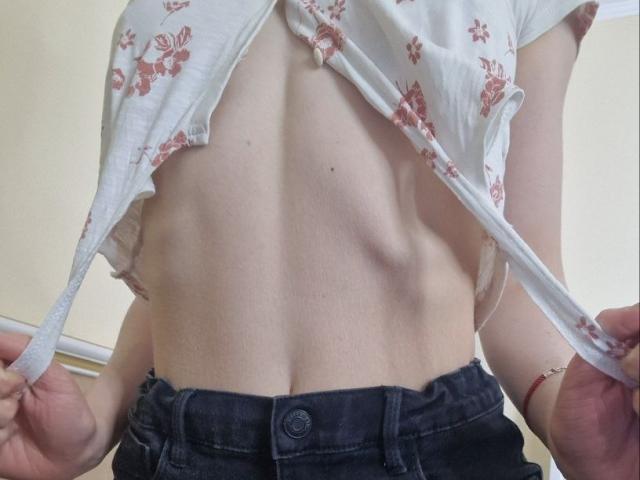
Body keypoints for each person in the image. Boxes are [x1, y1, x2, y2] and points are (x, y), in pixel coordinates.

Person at [0, 1, 638, 479]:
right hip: (174, 448)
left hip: (430, 452)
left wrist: (570, 424)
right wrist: (100, 413)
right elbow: (183, 263)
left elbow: (519, 281)